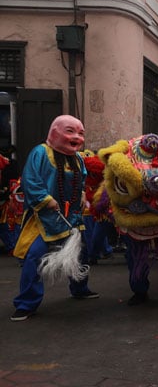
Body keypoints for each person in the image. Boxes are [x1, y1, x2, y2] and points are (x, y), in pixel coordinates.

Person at [10, 115, 98, 321]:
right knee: (35, 257)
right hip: (46, 217)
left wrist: (83, 193)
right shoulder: (40, 152)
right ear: (55, 132)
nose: (76, 137)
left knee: (80, 255)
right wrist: (45, 199)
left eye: (81, 133)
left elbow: (82, 177)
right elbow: (31, 180)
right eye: (70, 131)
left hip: (72, 216)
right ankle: (26, 303)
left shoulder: (76, 158)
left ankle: (80, 288)